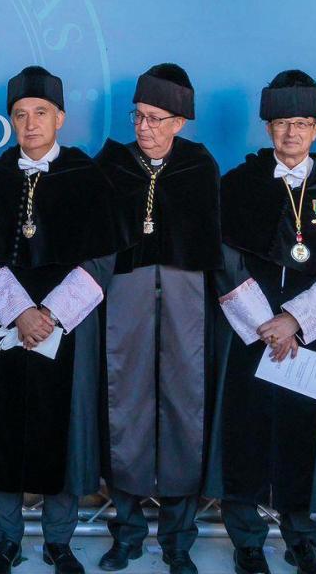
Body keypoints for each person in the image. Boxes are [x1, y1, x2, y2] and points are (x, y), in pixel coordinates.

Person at [0, 66, 125, 574]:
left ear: (61, 118)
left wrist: (49, 315)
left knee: (66, 434)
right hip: (5, 327)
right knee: (2, 432)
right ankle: (7, 541)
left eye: (41, 114)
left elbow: (101, 261)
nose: (30, 124)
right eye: (21, 115)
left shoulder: (88, 176)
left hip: (67, 329)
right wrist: (20, 313)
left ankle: (59, 542)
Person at [209, 71, 316, 574]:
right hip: (247, 333)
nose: (290, 133)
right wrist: (263, 323)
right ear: (267, 128)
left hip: (307, 335)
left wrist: (294, 320)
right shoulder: (239, 183)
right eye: (280, 123)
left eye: (301, 123)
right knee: (244, 436)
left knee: (304, 436)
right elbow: (224, 259)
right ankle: (247, 541)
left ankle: (301, 539)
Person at [90, 64, 221, 574]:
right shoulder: (112, 164)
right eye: (139, 117)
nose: (143, 128)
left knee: (185, 407)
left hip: (187, 300)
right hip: (125, 296)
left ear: (180, 122)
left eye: (155, 119)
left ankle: (178, 538)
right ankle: (126, 532)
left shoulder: (200, 166)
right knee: (126, 405)